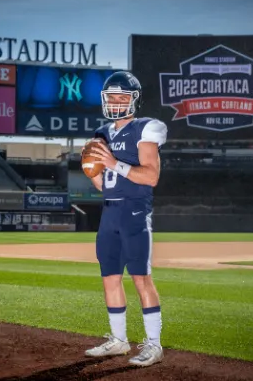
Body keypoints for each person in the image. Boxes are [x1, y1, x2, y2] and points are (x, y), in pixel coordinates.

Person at [82, 70, 167, 367]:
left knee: (141, 279)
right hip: (109, 211)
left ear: (134, 99)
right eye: (111, 97)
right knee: (110, 279)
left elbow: (151, 176)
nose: (116, 102)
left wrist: (114, 163)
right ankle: (118, 341)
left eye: (122, 97)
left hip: (134, 211)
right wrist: (92, 170)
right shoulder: (102, 133)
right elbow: (101, 183)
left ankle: (153, 345)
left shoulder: (146, 128)